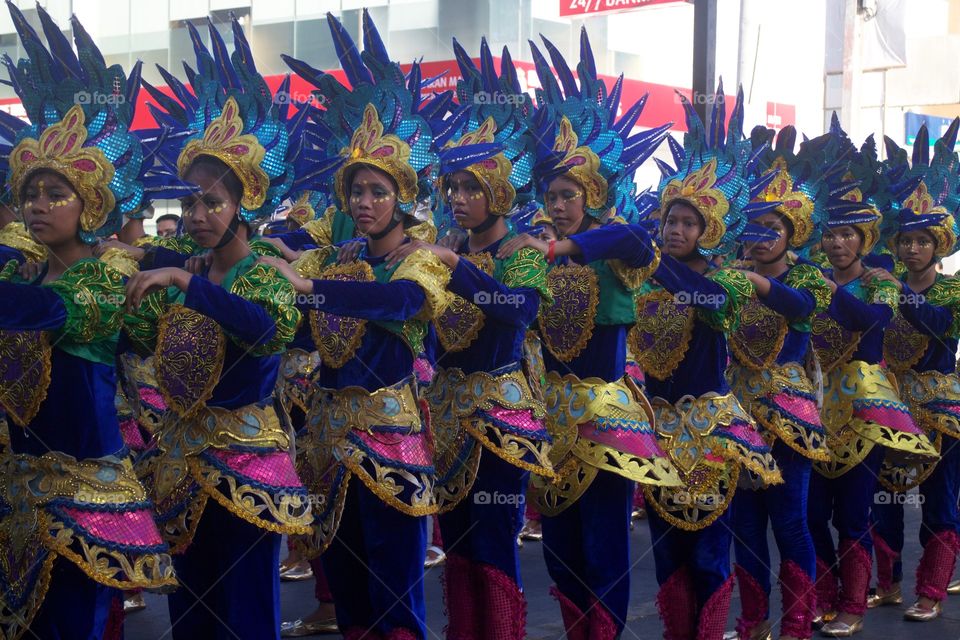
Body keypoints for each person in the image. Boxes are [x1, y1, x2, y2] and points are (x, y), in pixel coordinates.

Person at [265, 11, 453, 638]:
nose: (364, 203)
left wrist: (316, 288)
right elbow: (278, 264)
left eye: (376, 191)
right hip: (326, 439)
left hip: (391, 439)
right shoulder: (336, 256)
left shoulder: (419, 261)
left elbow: (400, 304)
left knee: (395, 589)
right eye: (355, 192)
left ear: (400, 196)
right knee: (346, 586)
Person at [124, 17, 313, 639]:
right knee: (192, 611)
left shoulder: (264, 274)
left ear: (243, 207)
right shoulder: (187, 266)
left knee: (247, 610)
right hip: (182, 462)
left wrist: (187, 285)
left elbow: (267, 333)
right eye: (192, 201)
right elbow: (138, 338)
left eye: (214, 202)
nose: (199, 214)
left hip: (247, 466)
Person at [0, 6, 177, 638]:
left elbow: (47, 317)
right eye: (30, 195)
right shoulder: (24, 277)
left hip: (84, 489)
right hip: (18, 490)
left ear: (90, 205)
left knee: (73, 625)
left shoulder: (104, 281)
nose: (38, 206)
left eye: (56, 196)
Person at [502, 30, 681, 639]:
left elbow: (631, 239)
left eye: (568, 195)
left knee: (604, 544)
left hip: (606, 417)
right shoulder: (537, 253)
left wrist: (557, 246)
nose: (556, 205)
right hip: (550, 418)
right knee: (560, 547)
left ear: (593, 196)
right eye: (550, 196)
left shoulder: (617, 246)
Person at [634, 81, 782, 640]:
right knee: (666, 548)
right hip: (656, 427)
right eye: (669, 221)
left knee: (709, 546)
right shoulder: (643, 276)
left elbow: (716, 309)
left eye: (687, 224)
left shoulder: (723, 282)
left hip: (710, 430)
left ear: (709, 230)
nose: (674, 231)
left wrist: (647, 259)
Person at [806, 122, 937, 637]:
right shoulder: (806, 281)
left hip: (863, 409)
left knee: (855, 511)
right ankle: (822, 594)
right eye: (831, 233)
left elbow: (873, 324)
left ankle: (855, 605)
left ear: (864, 240)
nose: (837, 243)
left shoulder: (881, 283)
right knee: (812, 511)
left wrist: (822, 289)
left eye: (847, 235)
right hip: (812, 407)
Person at [724, 126, 833, 640]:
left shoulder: (806, 276)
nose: (761, 237)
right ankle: (752, 621)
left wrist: (758, 283)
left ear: (792, 233)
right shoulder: (728, 275)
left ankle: (796, 620)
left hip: (789, 417)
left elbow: (803, 310)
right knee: (744, 527)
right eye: (754, 228)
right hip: (736, 415)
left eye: (772, 228)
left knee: (789, 521)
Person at [869, 121, 960, 622]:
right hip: (890, 404)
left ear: (938, 247)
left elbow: (937, 327)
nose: (910, 250)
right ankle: (887, 585)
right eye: (904, 242)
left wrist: (896, 289)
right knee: (883, 498)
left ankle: (931, 590)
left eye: (921, 242)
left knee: (937, 503)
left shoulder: (950, 290)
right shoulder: (882, 282)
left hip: (941, 409)